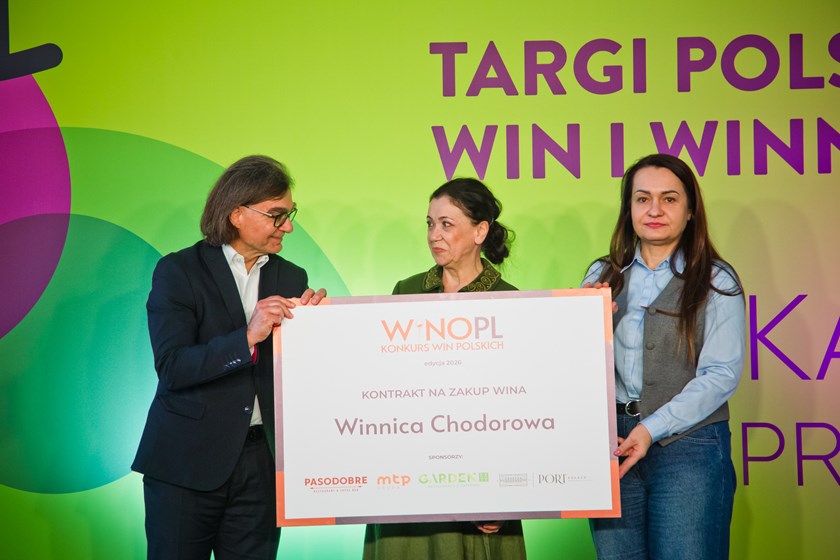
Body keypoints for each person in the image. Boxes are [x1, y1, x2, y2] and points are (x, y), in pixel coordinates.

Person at [132, 155, 325, 560]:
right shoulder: (179, 271)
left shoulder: (292, 277)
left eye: (290, 214)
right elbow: (173, 367)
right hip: (186, 463)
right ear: (237, 214)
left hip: (262, 464)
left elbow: (295, 377)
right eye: (276, 215)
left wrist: (316, 330)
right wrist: (247, 337)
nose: (288, 226)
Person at [582, 154, 745, 559]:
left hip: (690, 446)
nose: (654, 210)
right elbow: (572, 368)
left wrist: (651, 428)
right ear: (629, 209)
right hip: (612, 445)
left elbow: (721, 374)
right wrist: (580, 324)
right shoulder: (601, 276)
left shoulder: (717, 279)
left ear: (690, 211)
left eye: (669, 199)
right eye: (643, 199)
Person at [363, 177, 525, 560]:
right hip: (409, 473)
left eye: (447, 224)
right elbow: (384, 382)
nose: (434, 234)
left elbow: (521, 408)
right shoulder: (405, 291)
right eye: (430, 223)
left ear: (480, 231)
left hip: (483, 479)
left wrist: (509, 494)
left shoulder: (512, 301)